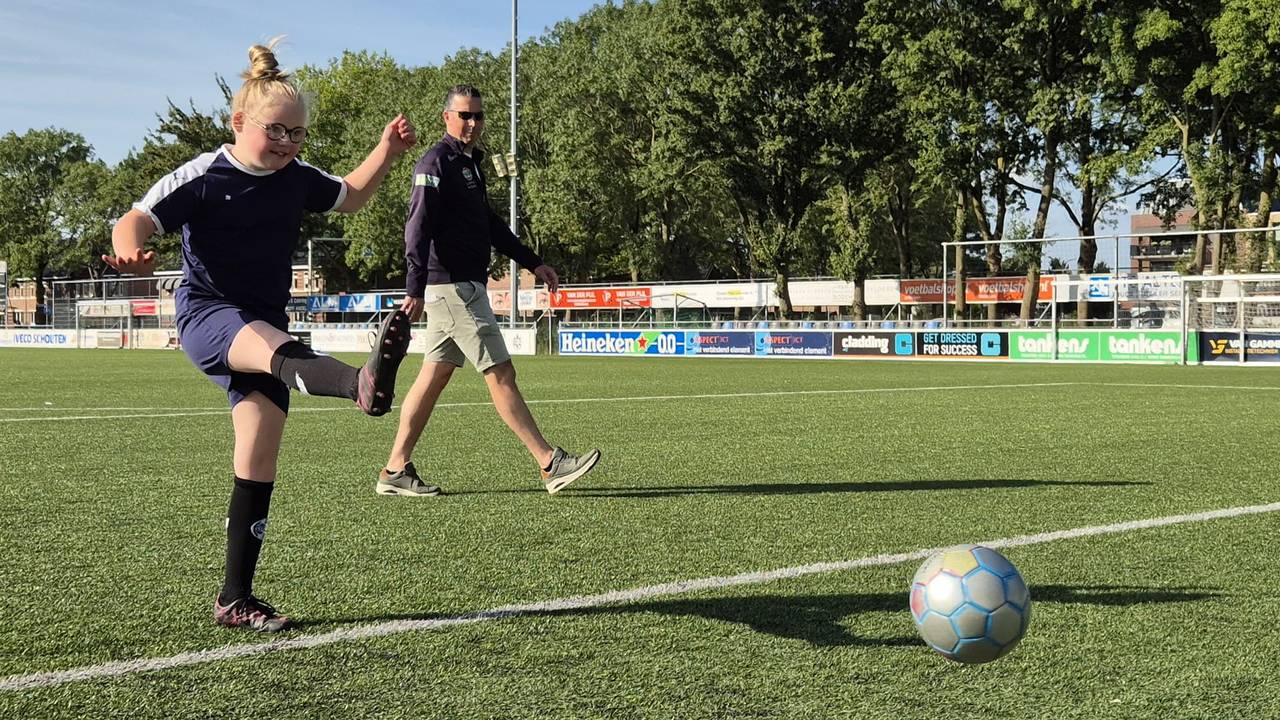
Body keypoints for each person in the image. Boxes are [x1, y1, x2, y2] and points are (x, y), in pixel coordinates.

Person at [104, 39, 418, 633]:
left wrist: (385, 148)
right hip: (208, 314)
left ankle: (234, 598)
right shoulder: (204, 174)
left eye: (297, 134)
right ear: (239, 121)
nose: (287, 144)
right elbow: (137, 217)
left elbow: (349, 197)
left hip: (264, 321)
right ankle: (361, 383)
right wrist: (130, 250)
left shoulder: (296, 176)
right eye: (276, 131)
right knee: (276, 352)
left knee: (258, 455)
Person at [379, 83, 600, 498]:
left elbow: (491, 226)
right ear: (446, 117)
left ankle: (395, 469)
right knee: (501, 373)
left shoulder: (471, 165)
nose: (472, 123)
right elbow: (417, 226)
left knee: (434, 377)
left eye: (478, 115)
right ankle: (549, 462)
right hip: (454, 287)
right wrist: (415, 286)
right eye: (464, 115)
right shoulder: (435, 161)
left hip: (460, 286)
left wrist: (533, 261)